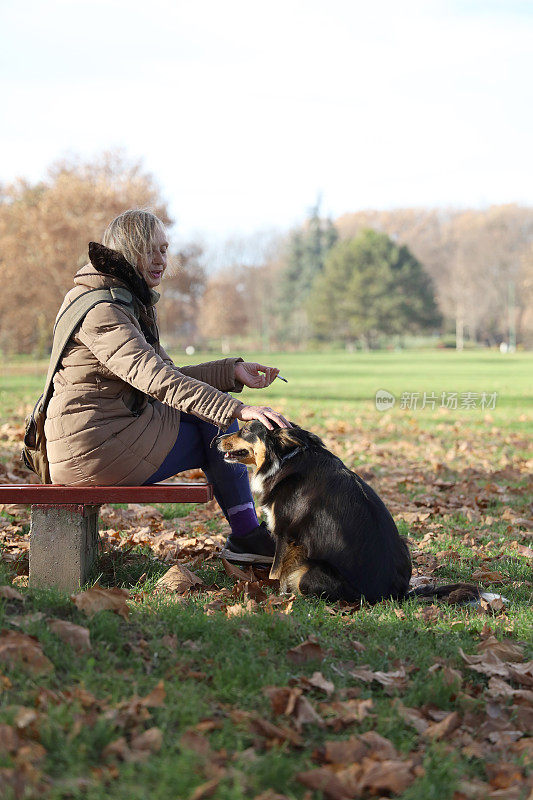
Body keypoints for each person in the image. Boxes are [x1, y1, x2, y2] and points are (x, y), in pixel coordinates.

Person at [44, 209, 290, 564]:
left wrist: (231, 371)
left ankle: (248, 536)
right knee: (219, 425)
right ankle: (248, 536)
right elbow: (157, 379)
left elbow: (166, 373)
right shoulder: (103, 309)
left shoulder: (122, 298)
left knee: (211, 417)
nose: (161, 260)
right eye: (150, 250)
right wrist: (235, 408)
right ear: (127, 252)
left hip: (106, 436)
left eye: (165, 249)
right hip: (93, 450)